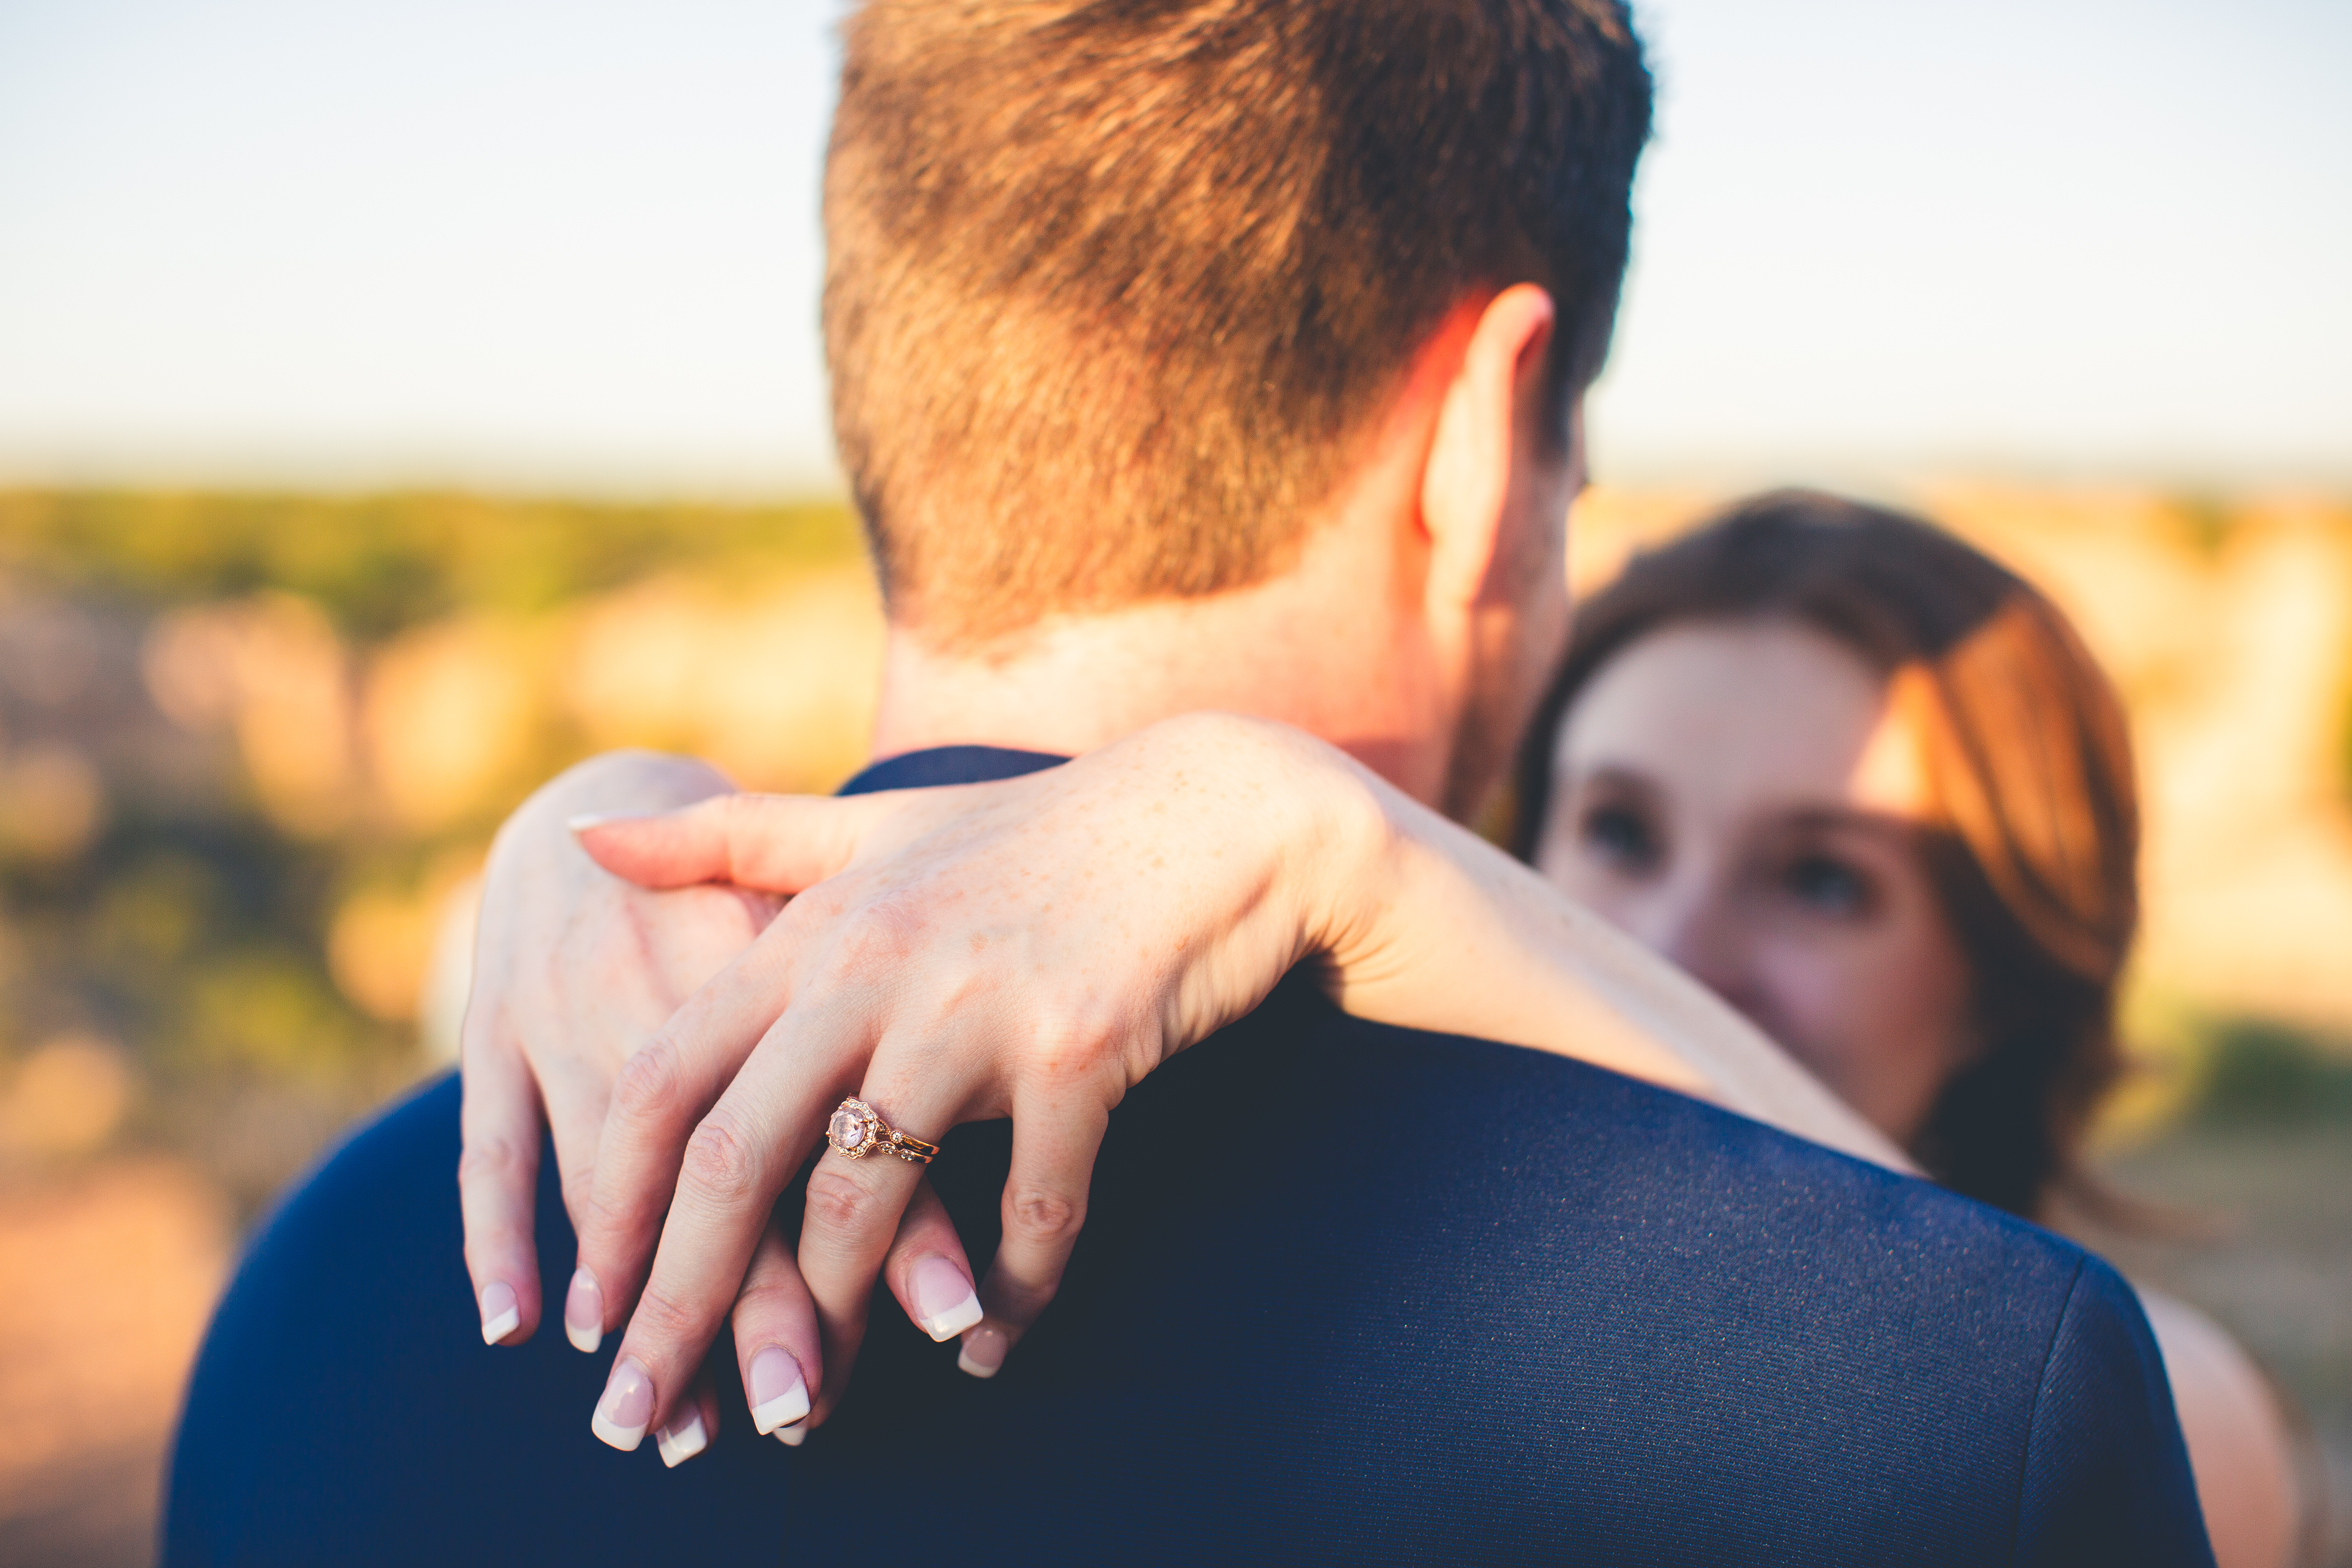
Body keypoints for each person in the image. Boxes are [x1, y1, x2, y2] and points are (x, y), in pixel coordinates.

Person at [166, 2, 2214, 1564]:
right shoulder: (1936, 1410)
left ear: (884, 365)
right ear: (1490, 441)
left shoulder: (319, 1299)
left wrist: (576, 827)